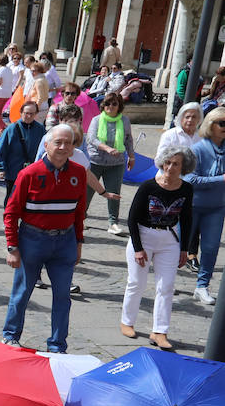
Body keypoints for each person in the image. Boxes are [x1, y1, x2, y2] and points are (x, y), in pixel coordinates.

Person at [2, 125, 89, 352]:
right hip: (32, 240)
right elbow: (11, 212)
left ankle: (57, 345)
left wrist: (78, 243)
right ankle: (10, 336)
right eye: (58, 142)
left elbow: (79, 212)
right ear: (46, 145)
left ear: (73, 147)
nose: (62, 147)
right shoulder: (29, 174)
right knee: (22, 293)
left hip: (64, 242)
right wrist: (12, 246)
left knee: (63, 297)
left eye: (67, 143)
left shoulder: (79, 173)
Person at [121, 146, 194, 351]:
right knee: (136, 282)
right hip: (143, 236)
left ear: (183, 167)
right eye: (168, 163)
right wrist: (137, 248)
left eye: (176, 164)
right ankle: (127, 321)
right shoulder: (148, 186)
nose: (170, 167)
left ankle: (159, 331)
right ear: (162, 163)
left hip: (169, 238)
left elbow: (187, 219)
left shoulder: (186, 189)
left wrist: (184, 249)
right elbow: (132, 219)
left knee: (167, 286)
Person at [188, 107, 225, 304]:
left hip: (217, 207)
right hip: (193, 206)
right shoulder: (198, 149)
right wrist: (221, 179)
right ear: (211, 125)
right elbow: (190, 179)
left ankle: (202, 286)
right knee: (179, 246)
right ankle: (165, 282)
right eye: (222, 123)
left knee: (210, 249)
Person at [86, 93, 135, 236]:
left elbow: (128, 140)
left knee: (114, 193)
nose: (110, 107)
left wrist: (131, 157)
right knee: (88, 191)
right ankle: (81, 217)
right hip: (96, 161)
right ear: (103, 106)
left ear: (119, 106)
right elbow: (91, 138)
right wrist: (107, 148)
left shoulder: (125, 121)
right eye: (107, 104)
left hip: (116, 163)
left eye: (114, 104)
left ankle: (113, 223)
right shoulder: (97, 120)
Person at [1, 101, 46, 205]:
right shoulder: (11, 129)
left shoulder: (40, 129)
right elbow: (2, 149)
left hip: (32, 171)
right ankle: (8, 219)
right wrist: (1, 168)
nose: (29, 116)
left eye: (32, 114)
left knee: (29, 198)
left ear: (36, 114)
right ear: (21, 112)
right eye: (26, 113)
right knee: (11, 197)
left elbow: (45, 150)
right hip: (13, 171)